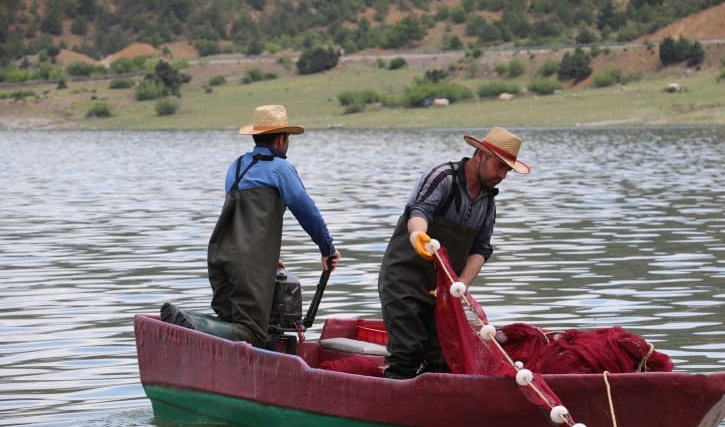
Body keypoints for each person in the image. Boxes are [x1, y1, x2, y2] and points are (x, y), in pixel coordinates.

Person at [161, 104, 340, 347]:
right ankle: (195, 326)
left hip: (219, 256)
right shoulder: (281, 169)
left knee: (231, 321)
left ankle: (196, 327)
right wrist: (327, 249)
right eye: (287, 139)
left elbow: (242, 221)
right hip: (249, 263)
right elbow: (307, 212)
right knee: (253, 333)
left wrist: (267, 258)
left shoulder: (236, 167)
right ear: (281, 139)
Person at [378, 127, 529, 379]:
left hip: (443, 293)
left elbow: (481, 249)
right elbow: (419, 212)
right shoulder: (443, 177)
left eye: (507, 170)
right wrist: (418, 236)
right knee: (406, 353)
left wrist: (459, 286)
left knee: (444, 359)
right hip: (404, 280)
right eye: (499, 166)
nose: (502, 175)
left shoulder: (487, 202)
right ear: (480, 155)